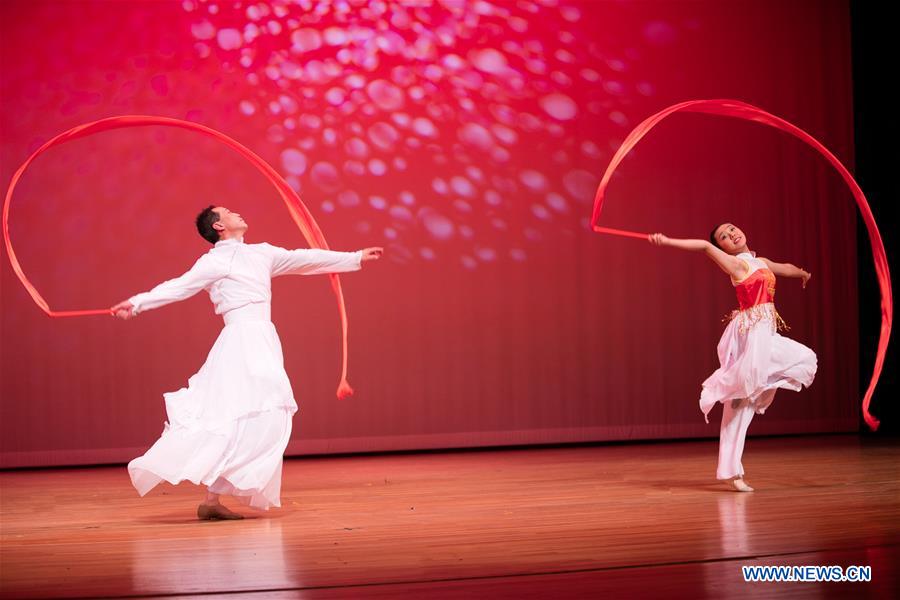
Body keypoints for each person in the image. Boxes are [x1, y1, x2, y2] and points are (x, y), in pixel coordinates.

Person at [111, 206, 382, 519]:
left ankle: (212, 501)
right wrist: (137, 304)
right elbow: (180, 286)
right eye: (228, 212)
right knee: (250, 408)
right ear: (219, 226)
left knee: (248, 413)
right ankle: (212, 495)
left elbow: (305, 259)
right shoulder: (214, 261)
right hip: (241, 340)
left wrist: (355, 257)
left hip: (261, 337)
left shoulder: (261, 253)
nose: (237, 213)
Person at [649, 223, 816, 491]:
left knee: (805, 359)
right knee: (740, 404)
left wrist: (803, 273)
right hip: (752, 335)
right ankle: (731, 470)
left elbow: (782, 267)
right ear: (722, 247)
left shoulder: (758, 261)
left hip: (766, 335)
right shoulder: (734, 264)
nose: (731, 235)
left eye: (731, 229)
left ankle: (756, 390)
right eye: (724, 237)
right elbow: (703, 247)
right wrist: (667, 240)